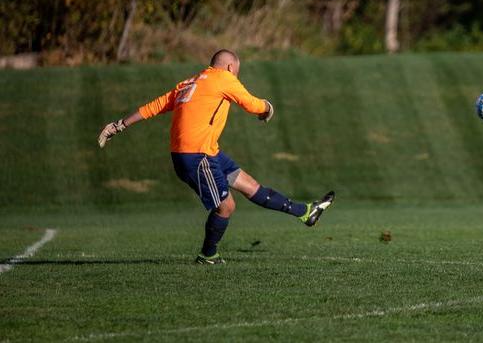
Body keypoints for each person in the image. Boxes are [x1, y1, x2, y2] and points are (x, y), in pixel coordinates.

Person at [97, 49, 334, 264]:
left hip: (206, 151)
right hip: (196, 155)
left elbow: (154, 106)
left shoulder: (189, 83)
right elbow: (252, 104)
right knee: (226, 207)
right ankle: (208, 255)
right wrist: (267, 107)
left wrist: (119, 125)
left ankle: (305, 212)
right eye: (237, 73)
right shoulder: (224, 79)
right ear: (230, 67)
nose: (236, 79)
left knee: (250, 185)